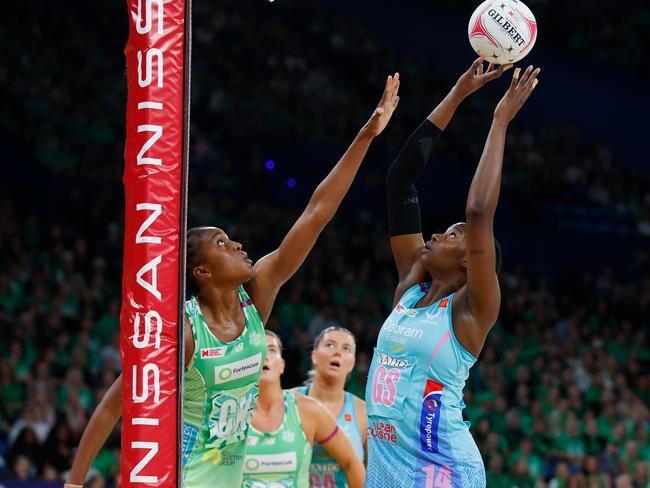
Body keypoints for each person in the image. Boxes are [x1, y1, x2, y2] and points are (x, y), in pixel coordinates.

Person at [64, 74, 400, 488]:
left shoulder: (254, 298)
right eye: (222, 243)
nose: (238, 244)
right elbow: (114, 405)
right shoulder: (185, 334)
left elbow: (317, 213)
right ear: (201, 272)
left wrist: (366, 136)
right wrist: (74, 483)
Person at [364, 59, 540, 487]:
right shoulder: (410, 284)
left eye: (453, 234)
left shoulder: (471, 311)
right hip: (386, 469)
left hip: (444, 471)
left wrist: (499, 120)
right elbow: (400, 181)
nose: (438, 234)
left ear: (470, 261)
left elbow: (479, 211)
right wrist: (459, 93)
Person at [242, 331, 364, 487]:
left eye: (272, 350)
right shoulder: (227, 413)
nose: (264, 355)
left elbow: (352, 462)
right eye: (256, 350)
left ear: (282, 365)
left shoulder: (306, 409)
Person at [295, 326, 366, 487]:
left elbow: (370, 474)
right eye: (330, 345)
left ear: (352, 363)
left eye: (346, 348)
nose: (338, 352)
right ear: (314, 356)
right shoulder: (288, 401)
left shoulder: (363, 412)